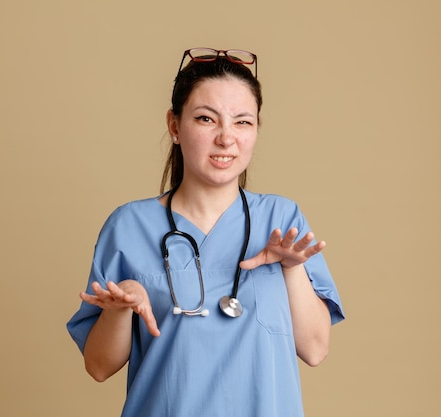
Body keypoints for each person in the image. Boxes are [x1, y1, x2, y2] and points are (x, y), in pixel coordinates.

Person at [67, 48, 345, 417]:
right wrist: (122, 309)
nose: (226, 138)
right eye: (206, 119)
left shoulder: (281, 219)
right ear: (174, 126)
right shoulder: (129, 227)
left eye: (243, 122)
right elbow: (99, 366)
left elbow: (314, 349)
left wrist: (292, 269)